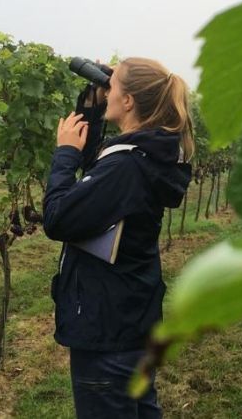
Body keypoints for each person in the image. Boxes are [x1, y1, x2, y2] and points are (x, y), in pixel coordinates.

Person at [42, 57, 194, 418]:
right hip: (130, 316)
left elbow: (58, 219)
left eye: (113, 86)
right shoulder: (147, 155)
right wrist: (91, 113)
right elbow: (99, 168)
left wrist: (64, 155)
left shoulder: (126, 166)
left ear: (128, 101)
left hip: (107, 326)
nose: (107, 91)